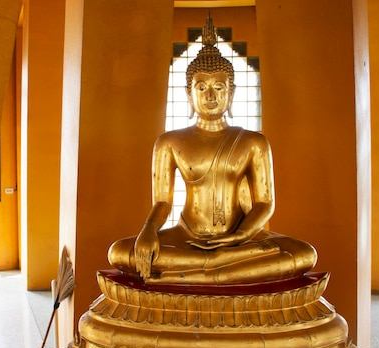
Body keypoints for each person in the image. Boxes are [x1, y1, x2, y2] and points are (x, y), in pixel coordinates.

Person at [108, 16, 316, 285]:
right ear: (188, 93)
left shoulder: (253, 142)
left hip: (242, 236)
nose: (210, 96)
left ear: (231, 93)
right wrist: (148, 232)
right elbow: (162, 202)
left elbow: (264, 204)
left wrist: (239, 238)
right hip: (187, 236)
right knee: (120, 252)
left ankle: (197, 271)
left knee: (303, 254)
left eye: (219, 87)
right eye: (202, 87)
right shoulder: (169, 142)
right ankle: (220, 269)